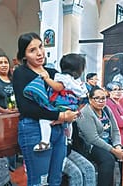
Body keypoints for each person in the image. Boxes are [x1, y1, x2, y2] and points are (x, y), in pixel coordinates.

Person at [12, 32, 78, 185]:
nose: (39, 52)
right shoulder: (21, 73)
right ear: (24, 55)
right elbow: (27, 108)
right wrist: (59, 116)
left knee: (55, 180)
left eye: (40, 46)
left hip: (58, 130)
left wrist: (71, 113)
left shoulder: (53, 73)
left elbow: (68, 96)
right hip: (33, 128)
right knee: (39, 182)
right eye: (32, 50)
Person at [23, 53, 87, 151]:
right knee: (69, 123)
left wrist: (47, 79)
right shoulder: (77, 81)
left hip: (61, 104)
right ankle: (68, 139)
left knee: (44, 119)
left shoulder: (63, 77)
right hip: (72, 105)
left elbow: (58, 87)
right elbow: (83, 96)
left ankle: (45, 141)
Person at [76, 86, 123, 186]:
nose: (100, 101)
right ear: (90, 99)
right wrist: (114, 151)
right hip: (91, 146)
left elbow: (115, 131)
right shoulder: (85, 113)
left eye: (103, 98)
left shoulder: (106, 109)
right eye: (97, 98)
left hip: (110, 144)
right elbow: (93, 138)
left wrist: (118, 146)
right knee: (108, 159)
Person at [105, 81, 123, 150]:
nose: (118, 92)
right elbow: (120, 123)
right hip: (118, 134)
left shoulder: (120, 102)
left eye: (119, 89)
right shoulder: (109, 103)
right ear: (109, 91)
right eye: (115, 90)